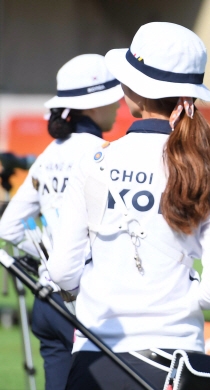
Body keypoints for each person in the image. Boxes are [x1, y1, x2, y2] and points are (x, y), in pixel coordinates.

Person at [46, 22, 210, 389]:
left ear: (132, 90)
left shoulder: (93, 163)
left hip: (98, 354)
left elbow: (61, 272)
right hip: (178, 363)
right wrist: (177, 298)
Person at [0, 53, 123, 390]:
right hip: (85, 303)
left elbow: (7, 228)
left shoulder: (48, 154)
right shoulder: (106, 152)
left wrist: (50, 257)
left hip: (46, 304)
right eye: (114, 98)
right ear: (95, 106)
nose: (119, 106)